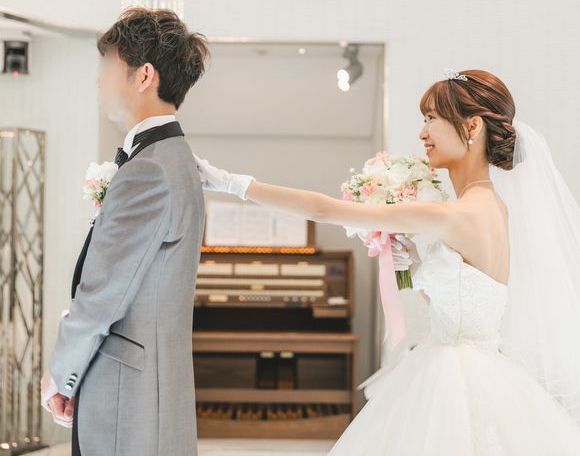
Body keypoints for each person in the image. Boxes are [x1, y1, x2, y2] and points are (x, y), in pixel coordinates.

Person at [195, 69, 580, 454]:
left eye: (431, 118)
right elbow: (462, 304)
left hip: (452, 380)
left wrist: (233, 183)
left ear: (472, 126)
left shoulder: (457, 214)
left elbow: (324, 210)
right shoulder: (493, 207)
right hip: (484, 371)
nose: (422, 133)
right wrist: (411, 268)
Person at [40, 7, 208, 455]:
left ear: (144, 75)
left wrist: (61, 374)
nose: (99, 81)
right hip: (151, 387)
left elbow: (101, 295)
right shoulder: (174, 158)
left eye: (107, 67)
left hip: (126, 396)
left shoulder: (149, 170)